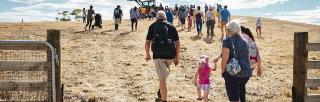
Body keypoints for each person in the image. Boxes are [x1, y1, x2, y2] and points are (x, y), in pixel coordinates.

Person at [145, 10, 180, 102]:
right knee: (164, 75)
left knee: (162, 79)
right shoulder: (171, 26)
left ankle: (163, 99)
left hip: (158, 56)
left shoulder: (152, 26)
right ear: (165, 17)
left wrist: (148, 54)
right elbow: (177, 43)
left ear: (156, 18)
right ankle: (160, 91)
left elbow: (147, 42)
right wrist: (176, 57)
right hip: (170, 56)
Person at [220, 21, 252, 102]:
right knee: (241, 94)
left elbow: (225, 58)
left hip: (233, 73)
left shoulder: (227, 41)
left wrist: (223, 72)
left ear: (230, 30)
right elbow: (248, 57)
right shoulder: (245, 41)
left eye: (226, 29)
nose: (225, 31)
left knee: (234, 99)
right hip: (246, 73)